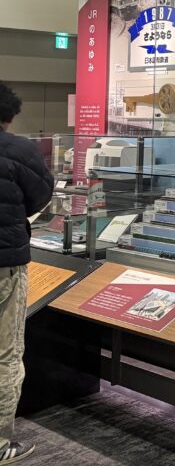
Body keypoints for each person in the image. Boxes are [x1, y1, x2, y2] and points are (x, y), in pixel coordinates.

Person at [0, 81, 54, 464]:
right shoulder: (20, 149)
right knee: (6, 354)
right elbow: (42, 195)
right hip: (5, 265)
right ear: (9, 115)